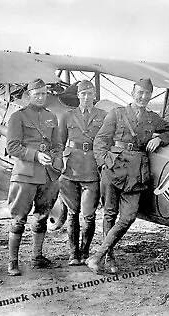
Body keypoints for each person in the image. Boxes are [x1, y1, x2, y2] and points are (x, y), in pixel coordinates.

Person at [86, 78, 169, 273]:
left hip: (136, 172)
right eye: (140, 93)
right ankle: (109, 258)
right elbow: (101, 141)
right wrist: (104, 164)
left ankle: (97, 255)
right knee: (110, 214)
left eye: (147, 94)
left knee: (128, 216)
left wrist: (160, 139)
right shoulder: (116, 114)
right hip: (113, 167)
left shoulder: (152, 118)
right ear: (132, 92)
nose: (143, 97)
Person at [6, 78, 63, 276]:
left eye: (44, 94)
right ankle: (13, 262)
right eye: (36, 94)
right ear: (29, 95)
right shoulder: (18, 117)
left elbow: (58, 145)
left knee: (42, 217)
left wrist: (54, 158)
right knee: (18, 219)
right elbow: (12, 147)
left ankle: (36, 257)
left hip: (48, 175)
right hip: (25, 175)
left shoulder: (51, 117)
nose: (40, 98)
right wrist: (36, 155)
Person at [58, 80, 107, 266]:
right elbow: (59, 143)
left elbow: (107, 142)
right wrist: (58, 166)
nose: (86, 98)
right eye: (83, 94)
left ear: (94, 96)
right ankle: (73, 254)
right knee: (72, 213)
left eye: (90, 94)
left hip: (92, 170)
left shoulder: (103, 116)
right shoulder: (67, 116)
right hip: (70, 169)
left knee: (89, 215)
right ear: (78, 96)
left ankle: (85, 252)